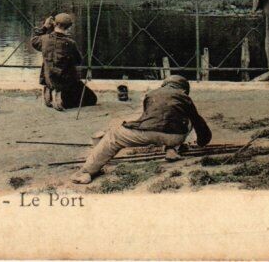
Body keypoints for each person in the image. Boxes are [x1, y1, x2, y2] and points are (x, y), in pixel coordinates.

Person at [72, 75, 210, 184]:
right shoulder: (185, 97)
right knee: (187, 119)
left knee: (114, 136)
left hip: (148, 133)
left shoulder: (151, 94)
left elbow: (146, 118)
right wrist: (202, 142)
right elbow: (198, 122)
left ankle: (86, 172)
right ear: (184, 88)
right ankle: (171, 149)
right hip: (175, 137)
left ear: (165, 84)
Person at [30, 12, 97, 111]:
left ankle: (50, 89)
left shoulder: (44, 39)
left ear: (54, 24)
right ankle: (59, 96)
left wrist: (44, 27)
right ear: (69, 27)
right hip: (64, 81)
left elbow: (33, 41)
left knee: (50, 68)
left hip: (48, 78)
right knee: (91, 98)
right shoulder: (70, 43)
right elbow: (78, 61)